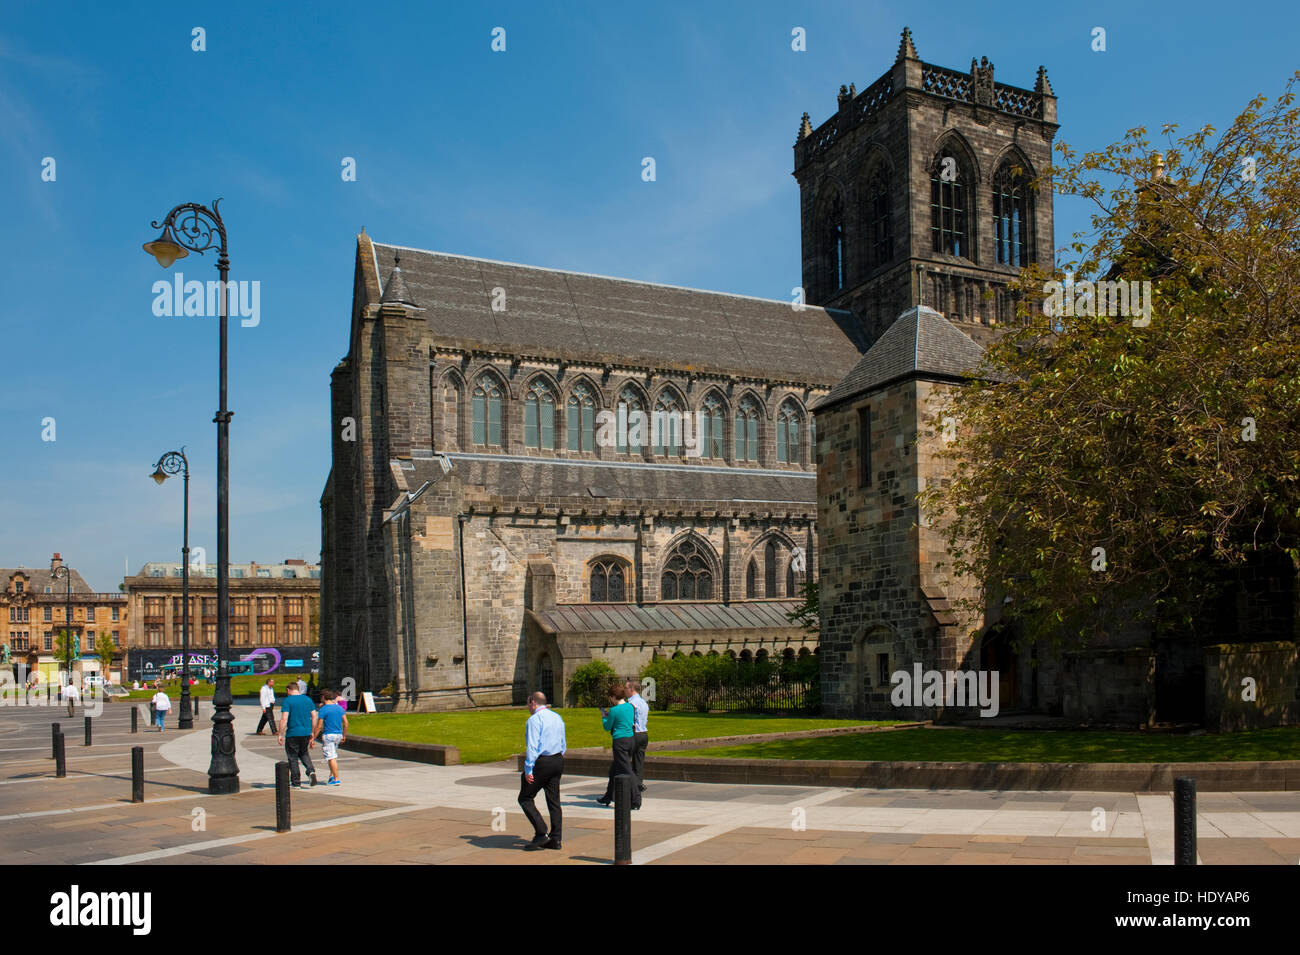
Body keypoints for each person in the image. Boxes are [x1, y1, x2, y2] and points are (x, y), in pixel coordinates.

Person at [518, 691, 565, 851]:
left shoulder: (534, 720)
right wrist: (558, 757)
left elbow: (532, 746)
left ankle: (541, 833)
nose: (528, 707)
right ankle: (556, 839)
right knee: (554, 801)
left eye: (528, 704)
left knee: (525, 798)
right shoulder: (557, 717)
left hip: (542, 762)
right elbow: (563, 741)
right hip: (557, 759)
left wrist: (528, 769)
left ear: (532, 702)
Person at [598, 682, 639, 810]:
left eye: (610, 698)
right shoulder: (630, 707)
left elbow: (607, 727)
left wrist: (604, 716)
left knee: (627, 770)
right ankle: (608, 796)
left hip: (620, 741)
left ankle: (636, 799)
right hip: (631, 739)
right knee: (614, 770)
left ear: (613, 697)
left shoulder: (614, 710)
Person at [277, 681, 318, 787]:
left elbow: (284, 718)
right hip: (305, 732)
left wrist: (280, 733)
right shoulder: (308, 699)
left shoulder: (287, 701)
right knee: (304, 753)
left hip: (293, 733)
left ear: (288, 690)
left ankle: (296, 782)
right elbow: (314, 716)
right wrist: (312, 732)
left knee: (293, 757)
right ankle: (311, 771)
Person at [311, 689, 348, 785]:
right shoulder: (339, 708)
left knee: (331, 757)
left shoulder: (324, 709)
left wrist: (313, 738)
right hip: (338, 735)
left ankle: (336, 779)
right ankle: (331, 776)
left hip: (328, 735)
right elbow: (346, 723)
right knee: (333, 755)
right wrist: (344, 735)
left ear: (323, 697)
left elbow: (319, 726)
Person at [625, 679, 649, 794]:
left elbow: (630, 719)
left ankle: (636, 785)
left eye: (626, 688)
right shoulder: (643, 702)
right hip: (644, 733)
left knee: (625, 761)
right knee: (639, 762)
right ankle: (638, 784)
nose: (624, 691)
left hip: (635, 733)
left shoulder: (632, 704)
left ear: (632, 689)